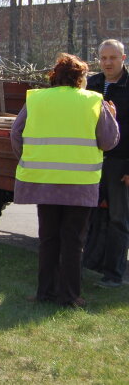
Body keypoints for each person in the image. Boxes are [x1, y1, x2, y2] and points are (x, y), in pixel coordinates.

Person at [11, 53, 118, 307]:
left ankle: (44, 292)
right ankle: (69, 296)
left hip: (44, 180)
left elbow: (16, 133)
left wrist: (28, 157)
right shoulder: (93, 101)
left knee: (48, 238)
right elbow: (108, 141)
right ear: (81, 78)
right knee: (73, 241)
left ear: (54, 76)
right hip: (80, 184)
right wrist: (111, 116)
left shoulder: (36, 100)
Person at [83, 39, 129, 288]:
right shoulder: (92, 85)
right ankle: (89, 263)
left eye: (113, 58)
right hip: (92, 161)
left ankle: (113, 274)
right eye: (104, 58)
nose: (108, 63)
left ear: (123, 58)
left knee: (118, 219)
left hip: (120, 163)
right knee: (87, 214)